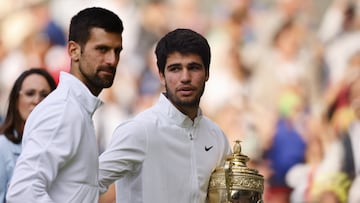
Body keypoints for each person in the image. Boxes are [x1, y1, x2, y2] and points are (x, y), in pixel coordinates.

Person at [98, 28, 231, 203]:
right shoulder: (139, 130)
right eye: (175, 69)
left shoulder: (217, 137)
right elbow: (83, 185)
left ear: (207, 74)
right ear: (161, 76)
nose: (185, 77)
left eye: (193, 67)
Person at [6, 7, 123, 203]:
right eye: (102, 49)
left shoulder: (76, 108)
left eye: (117, 51)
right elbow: (22, 192)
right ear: (73, 51)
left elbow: (77, 187)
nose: (112, 60)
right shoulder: (63, 110)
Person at [0, 68, 56, 203]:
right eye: (30, 94)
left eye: (44, 95)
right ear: (16, 100)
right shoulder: (2, 147)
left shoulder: (61, 145)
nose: (37, 100)